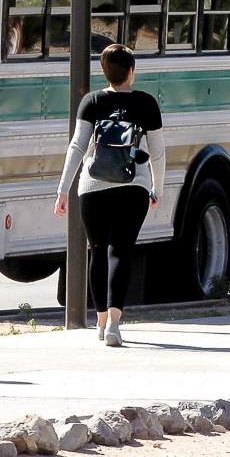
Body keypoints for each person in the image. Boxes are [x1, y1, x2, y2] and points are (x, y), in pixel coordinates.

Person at [54, 44, 165, 347]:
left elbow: (77, 146)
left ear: (105, 72)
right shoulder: (146, 103)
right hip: (133, 187)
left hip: (93, 188)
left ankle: (101, 322)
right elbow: (157, 153)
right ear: (131, 71)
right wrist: (157, 188)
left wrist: (63, 189)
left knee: (98, 250)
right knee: (120, 252)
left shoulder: (92, 101)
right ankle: (115, 322)